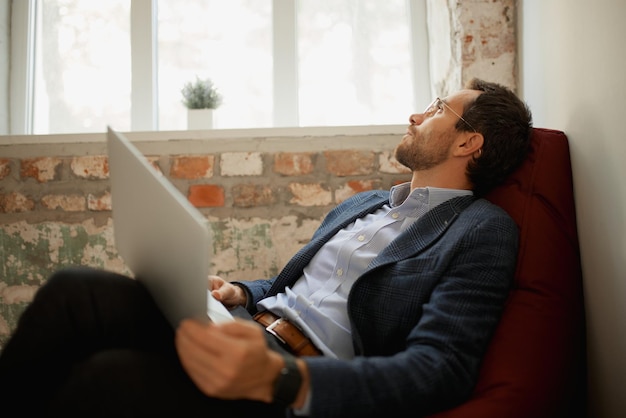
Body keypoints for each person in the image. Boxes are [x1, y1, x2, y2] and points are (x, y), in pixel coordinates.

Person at [0, 78, 532, 417]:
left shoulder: (481, 229)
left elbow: (439, 369)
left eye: (438, 107)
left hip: (287, 373)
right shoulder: (366, 204)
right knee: (76, 290)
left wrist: (286, 379)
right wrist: (238, 291)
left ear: (469, 142)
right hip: (243, 326)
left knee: (108, 378)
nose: (417, 114)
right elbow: (293, 291)